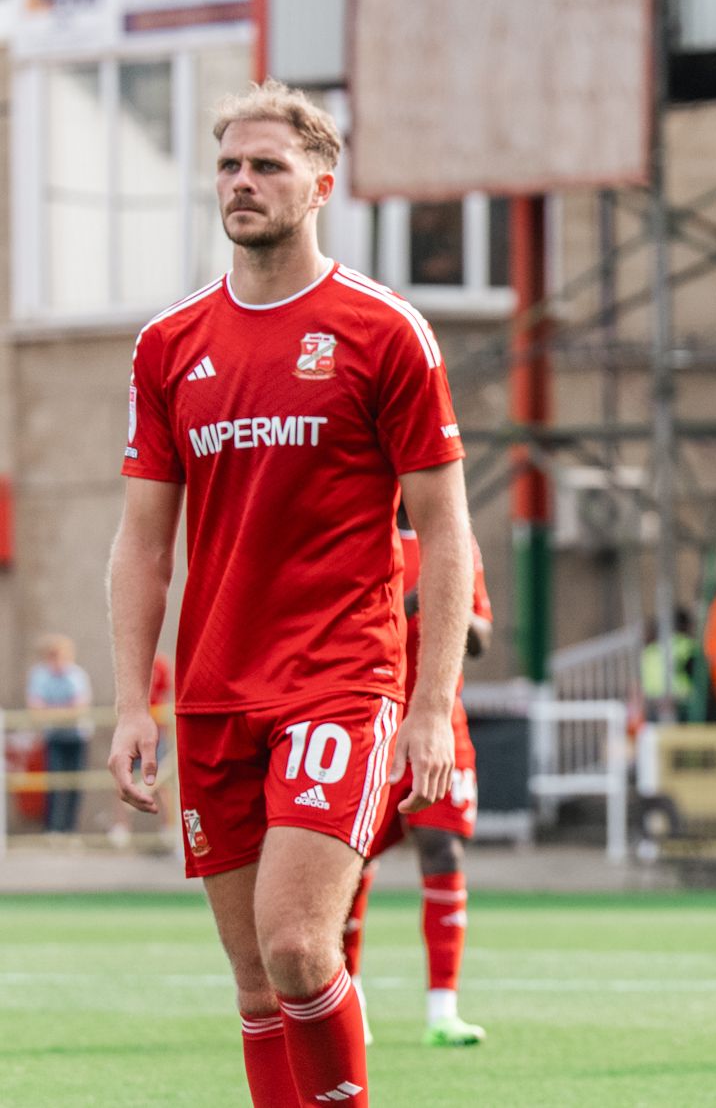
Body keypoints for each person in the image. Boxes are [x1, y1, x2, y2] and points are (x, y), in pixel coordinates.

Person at [107, 80, 472, 1107]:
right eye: (229, 164)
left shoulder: (384, 331)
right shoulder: (168, 345)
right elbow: (143, 544)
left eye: (267, 165)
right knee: (256, 983)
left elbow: (446, 529)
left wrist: (431, 706)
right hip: (213, 693)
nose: (242, 181)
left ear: (320, 185)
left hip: (336, 680)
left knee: (300, 945)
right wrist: (134, 702)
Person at [343, 510, 495, 1047]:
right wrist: (410, 601)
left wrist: (448, 604)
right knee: (350, 860)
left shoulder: (456, 537)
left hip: (440, 724)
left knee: (443, 848)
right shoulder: (362, 527)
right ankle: (349, 1000)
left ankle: (443, 1011)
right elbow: (345, 624)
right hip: (370, 721)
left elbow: (482, 637)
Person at [28, 634, 93, 835]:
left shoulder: (77, 675)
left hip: (77, 736)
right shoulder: (40, 675)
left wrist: (52, 711)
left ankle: (70, 829)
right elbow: (36, 707)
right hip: (53, 736)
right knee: (53, 783)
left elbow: (80, 707)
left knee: (75, 784)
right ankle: (52, 829)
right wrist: (64, 711)